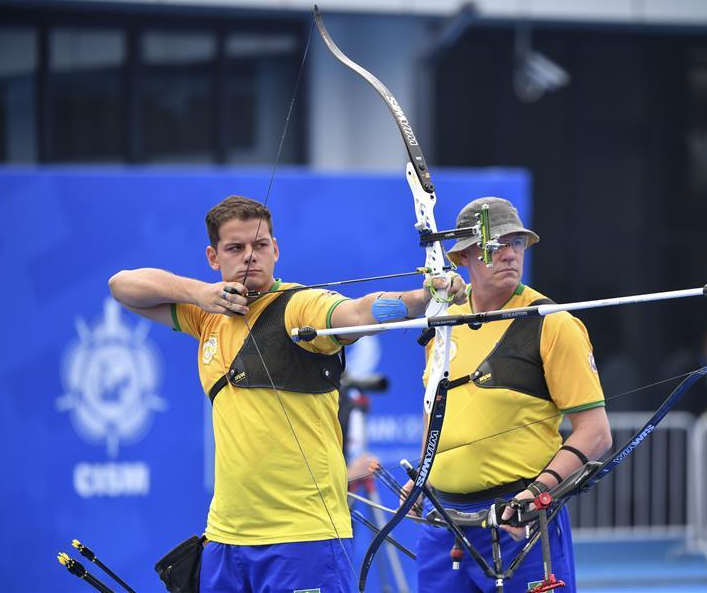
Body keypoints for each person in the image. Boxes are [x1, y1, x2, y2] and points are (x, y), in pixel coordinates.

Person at [108, 195, 466, 593]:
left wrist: (423, 299)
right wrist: (199, 293)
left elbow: (357, 314)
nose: (250, 257)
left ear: (275, 249)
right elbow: (122, 286)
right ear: (214, 256)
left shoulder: (299, 306)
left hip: (303, 540)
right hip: (226, 538)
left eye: (260, 246)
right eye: (235, 248)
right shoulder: (207, 315)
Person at [411, 197, 613, 593]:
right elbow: (436, 410)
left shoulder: (552, 323)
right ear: (465, 255)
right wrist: (424, 473)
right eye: (496, 244)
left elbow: (596, 433)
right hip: (444, 525)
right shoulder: (444, 320)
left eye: (516, 243)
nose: (509, 255)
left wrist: (535, 495)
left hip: (519, 522)